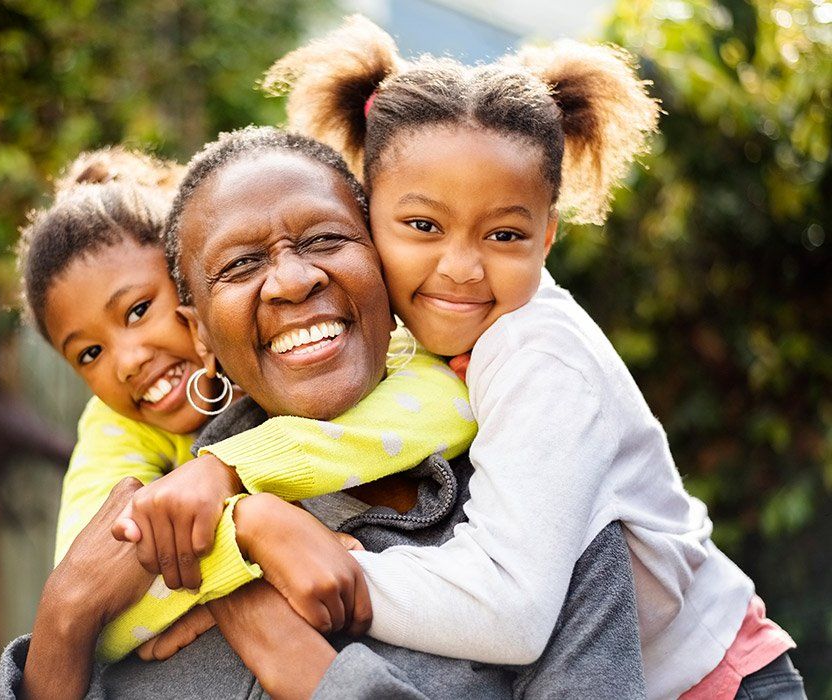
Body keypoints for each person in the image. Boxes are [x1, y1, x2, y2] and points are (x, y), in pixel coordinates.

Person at [261, 15, 805, 699]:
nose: (460, 267)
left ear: (547, 237)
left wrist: (341, 571)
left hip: (718, 683)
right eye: (423, 225)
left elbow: (511, 612)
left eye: (504, 234)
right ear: (366, 215)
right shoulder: (409, 338)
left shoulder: (537, 355)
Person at [0, 127, 646, 699]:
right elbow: (78, 604)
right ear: (199, 331)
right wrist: (71, 611)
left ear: (386, 266)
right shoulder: (163, 533)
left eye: (327, 239)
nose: (291, 280)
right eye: (242, 264)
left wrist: (306, 668)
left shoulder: (541, 515)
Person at [15, 145, 476, 661]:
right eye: (89, 352)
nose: (126, 360)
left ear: (191, 282)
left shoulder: (354, 341)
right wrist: (244, 546)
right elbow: (89, 586)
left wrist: (231, 472)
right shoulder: (114, 427)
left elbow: (450, 402)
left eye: (140, 309)